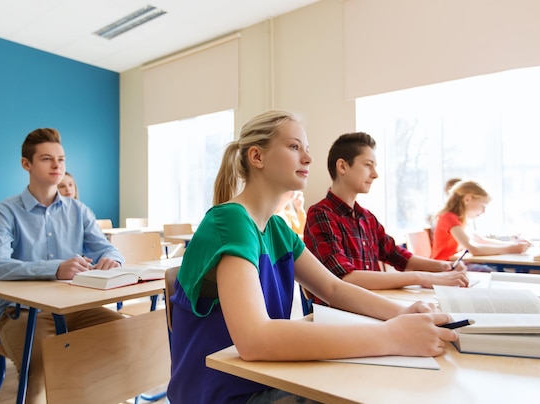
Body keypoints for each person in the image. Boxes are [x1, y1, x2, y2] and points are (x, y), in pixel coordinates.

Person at [167, 111, 459, 404]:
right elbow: (254, 340)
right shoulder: (230, 220)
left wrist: (402, 314)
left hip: (260, 377)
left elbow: (333, 288)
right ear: (257, 157)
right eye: (294, 147)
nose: (307, 158)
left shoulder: (277, 228)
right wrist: (392, 336)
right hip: (223, 392)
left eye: (307, 149)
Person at [0, 128, 125, 404]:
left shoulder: (79, 210)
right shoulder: (4, 212)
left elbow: (107, 247)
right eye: (47, 159)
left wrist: (113, 258)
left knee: (132, 338)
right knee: (43, 365)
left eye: (61, 159)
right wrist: (55, 268)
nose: (57, 165)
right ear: (27, 164)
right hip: (22, 314)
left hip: (76, 308)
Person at [303, 132, 468, 297]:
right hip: (340, 314)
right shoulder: (321, 214)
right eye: (368, 165)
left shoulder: (366, 217)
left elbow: (396, 255)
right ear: (343, 166)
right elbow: (344, 278)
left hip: (374, 306)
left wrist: (444, 267)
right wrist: (421, 277)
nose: (375, 174)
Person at [431, 180, 530, 267]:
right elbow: (474, 249)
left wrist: (513, 245)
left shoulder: (460, 220)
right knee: (492, 273)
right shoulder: (448, 218)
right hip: (445, 267)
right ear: (467, 199)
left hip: (456, 264)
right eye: (483, 205)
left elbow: (481, 241)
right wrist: (511, 248)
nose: (483, 211)